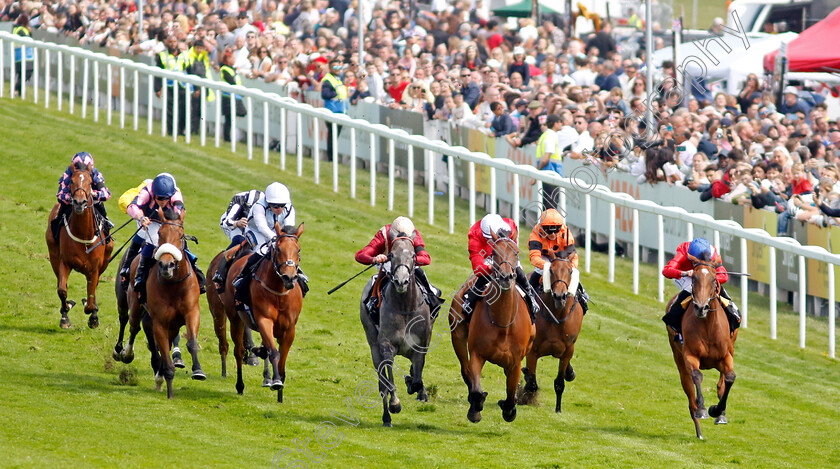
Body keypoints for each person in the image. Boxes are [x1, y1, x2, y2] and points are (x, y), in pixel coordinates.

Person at [127, 173, 206, 303]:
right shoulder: (147, 191)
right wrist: (141, 217)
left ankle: (196, 271)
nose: (163, 201)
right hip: (150, 221)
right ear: (154, 194)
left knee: (180, 243)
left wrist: (173, 222)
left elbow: (179, 210)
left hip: (169, 222)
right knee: (152, 243)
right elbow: (132, 206)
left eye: (166, 199)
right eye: (159, 199)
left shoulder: (176, 194)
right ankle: (140, 276)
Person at [233, 182, 309, 314]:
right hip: (255, 231)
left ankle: (297, 273)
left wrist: (285, 240)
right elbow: (262, 227)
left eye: (282, 205)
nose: (279, 208)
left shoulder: (289, 208)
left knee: (287, 252)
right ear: (268, 202)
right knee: (262, 251)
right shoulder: (259, 207)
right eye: (275, 206)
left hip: (278, 233)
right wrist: (275, 239)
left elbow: (289, 229)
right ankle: (241, 277)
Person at [355, 216, 444, 321]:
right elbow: (360, 255)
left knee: (421, 274)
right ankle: (373, 303)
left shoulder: (414, 234)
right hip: (388, 263)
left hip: (408, 264)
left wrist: (408, 259)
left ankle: (432, 299)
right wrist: (374, 259)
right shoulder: (383, 234)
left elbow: (426, 258)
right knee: (376, 279)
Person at [661, 237, 741, 344]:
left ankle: (734, 314)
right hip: (685, 276)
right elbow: (666, 271)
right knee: (691, 288)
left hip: (705, 276)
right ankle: (675, 325)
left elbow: (724, 276)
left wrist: (709, 279)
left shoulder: (713, 254)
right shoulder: (684, 250)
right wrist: (684, 273)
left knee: (714, 288)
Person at [461, 214, 538, 321]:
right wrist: (493, 268)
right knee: (483, 277)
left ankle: (530, 296)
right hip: (489, 257)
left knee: (519, 271)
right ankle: (469, 299)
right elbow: (478, 268)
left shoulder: (510, 226)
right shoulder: (475, 237)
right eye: (489, 239)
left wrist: (509, 261)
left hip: (506, 254)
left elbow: (513, 248)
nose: (492, 241)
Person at [527, 209, 588, 314]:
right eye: (549, 231)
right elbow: (534, 257)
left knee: (571, 272)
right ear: (542, 228)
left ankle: (582, 296)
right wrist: (549, 266)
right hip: (544, 256)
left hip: (562, 257)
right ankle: (529, 294)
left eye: (556, 230)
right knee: (540, 271)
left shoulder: (565, 232)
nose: (553, 234)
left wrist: (569, 267)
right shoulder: (536, 234)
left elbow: (573, 255)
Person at [51, 152, 113, 245]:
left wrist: (94, 194)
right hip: (71, 201)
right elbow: (60, 195)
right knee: (57, 220)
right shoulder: (68, 173)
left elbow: (106, 194)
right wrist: (70, 198)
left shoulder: (95, 174)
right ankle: (55, 239)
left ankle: (107, 236)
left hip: (92, 200)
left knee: (104, 218)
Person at [212, 189, 264, 293]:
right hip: (232, 223)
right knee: (239, 240)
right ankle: (220, 272)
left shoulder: (265, 204)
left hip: (253, 225)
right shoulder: (239, 200)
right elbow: (227, 221)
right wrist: (237, 223)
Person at [154, 34, 188, 136]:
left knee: (183, 109)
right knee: (171, 110)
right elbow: (158, 73)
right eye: (170, 42)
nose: (173, 44)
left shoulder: (184, 55)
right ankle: (171, 131)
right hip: (169, 86)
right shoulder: (162, 55)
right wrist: (157, 88)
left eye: (174, 42)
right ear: (167, 43)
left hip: (182, 85)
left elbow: (190, 70)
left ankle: (181, 130)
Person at [184, 39, 216, 133]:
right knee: (193, 109)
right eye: (198, 48)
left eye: (201, 48)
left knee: (200, 110)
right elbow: (191, 72)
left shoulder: (204, 57)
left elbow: (205, 71)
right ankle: (191, 128)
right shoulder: (190, 56)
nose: (199, 50)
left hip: (203, 85)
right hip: (193, 87)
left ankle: (196, 129)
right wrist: (196, 88)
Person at [321, 58, 348, 161]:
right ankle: (331, 158)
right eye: (335, 67)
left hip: (340, 111)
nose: (337, 69)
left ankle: (332, 157)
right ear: (330, 68)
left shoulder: (339, 78)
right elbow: (325, 94)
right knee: (332, 136)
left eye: (339, 67)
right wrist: (336, 93)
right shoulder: (328, 80)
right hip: (332, 111)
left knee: (335, 136)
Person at [219, 49, 245, 141]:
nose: (234, 59)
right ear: (228, 59)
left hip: (234, 96)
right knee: (229, 118)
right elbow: (232, 82)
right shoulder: (225, 69)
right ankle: (227, 138)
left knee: (232, 117)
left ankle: (229, 136)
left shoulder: (231, 69)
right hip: (228, 97)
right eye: (232, 58)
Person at [13, 14, 34, 97]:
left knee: (22, 75)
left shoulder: (17, 28)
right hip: (25, 56)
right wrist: (30, 32)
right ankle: (16, 90)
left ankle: (18, 92)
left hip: (19, 56)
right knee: (26, 74)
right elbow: (28, 39)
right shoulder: (21, 29)